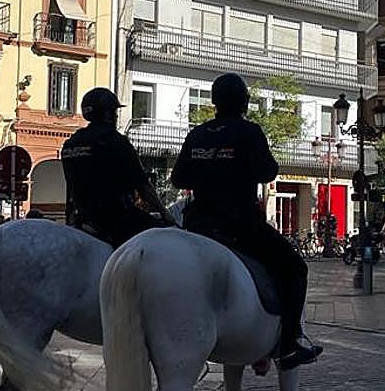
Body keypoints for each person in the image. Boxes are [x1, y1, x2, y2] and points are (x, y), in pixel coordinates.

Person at [170, 73, 320, 371]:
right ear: (244, 102)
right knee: (295, 269)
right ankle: (289, 343)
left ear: (214, 102)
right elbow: (267, 172)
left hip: (199, 226)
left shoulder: (197, 134)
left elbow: (178, 178)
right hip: (239, 225)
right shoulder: (249, 132)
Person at [62, 87, 172, 248]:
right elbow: (142, 185)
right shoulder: (115, 141)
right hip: (117, 218)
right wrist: (164, 212)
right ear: (107, 114)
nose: (116, 116)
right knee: (166, 238)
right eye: (114, 112)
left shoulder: (70, 143)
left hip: (81, 216)